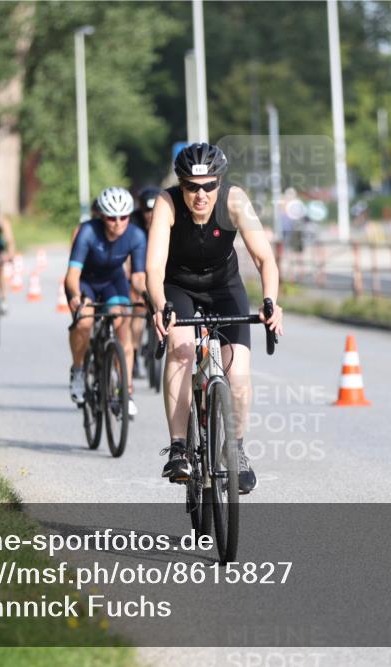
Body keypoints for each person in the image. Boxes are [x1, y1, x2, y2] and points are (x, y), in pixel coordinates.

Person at [147, 142, 284, 494]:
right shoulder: (167, 203)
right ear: (181, 185)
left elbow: (265, 259)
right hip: (179, 288)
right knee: (181, 351)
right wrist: (161, 305)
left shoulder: (234, 201)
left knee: (237, 374)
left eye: (209, 185)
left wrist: (270, 301)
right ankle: (179, 446)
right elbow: (154, 266)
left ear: (219, 183)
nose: (201, 194)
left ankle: (234, 448)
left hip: (225, 289)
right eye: (192, 187)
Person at [65, 187, 146, 417]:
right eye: (112, 217)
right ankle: (79, 370)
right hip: (85, 282)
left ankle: (126, 392)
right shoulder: (88, 232)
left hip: (113, 281)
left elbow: (139, 278)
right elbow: (72, 274)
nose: (118, 223)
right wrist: (75, 297)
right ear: (102, 216)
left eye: (124, 217)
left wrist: (149, 296)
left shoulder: (136, 235)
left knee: (123, 328)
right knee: (84, 322)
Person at [129, 187, 160, 378]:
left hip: (158, 269)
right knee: (139, 306)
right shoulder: (133, 223)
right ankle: (133, 352)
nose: (150, 216)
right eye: (146, 211)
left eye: (153, 211)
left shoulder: (167, 219)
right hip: (136, 268)